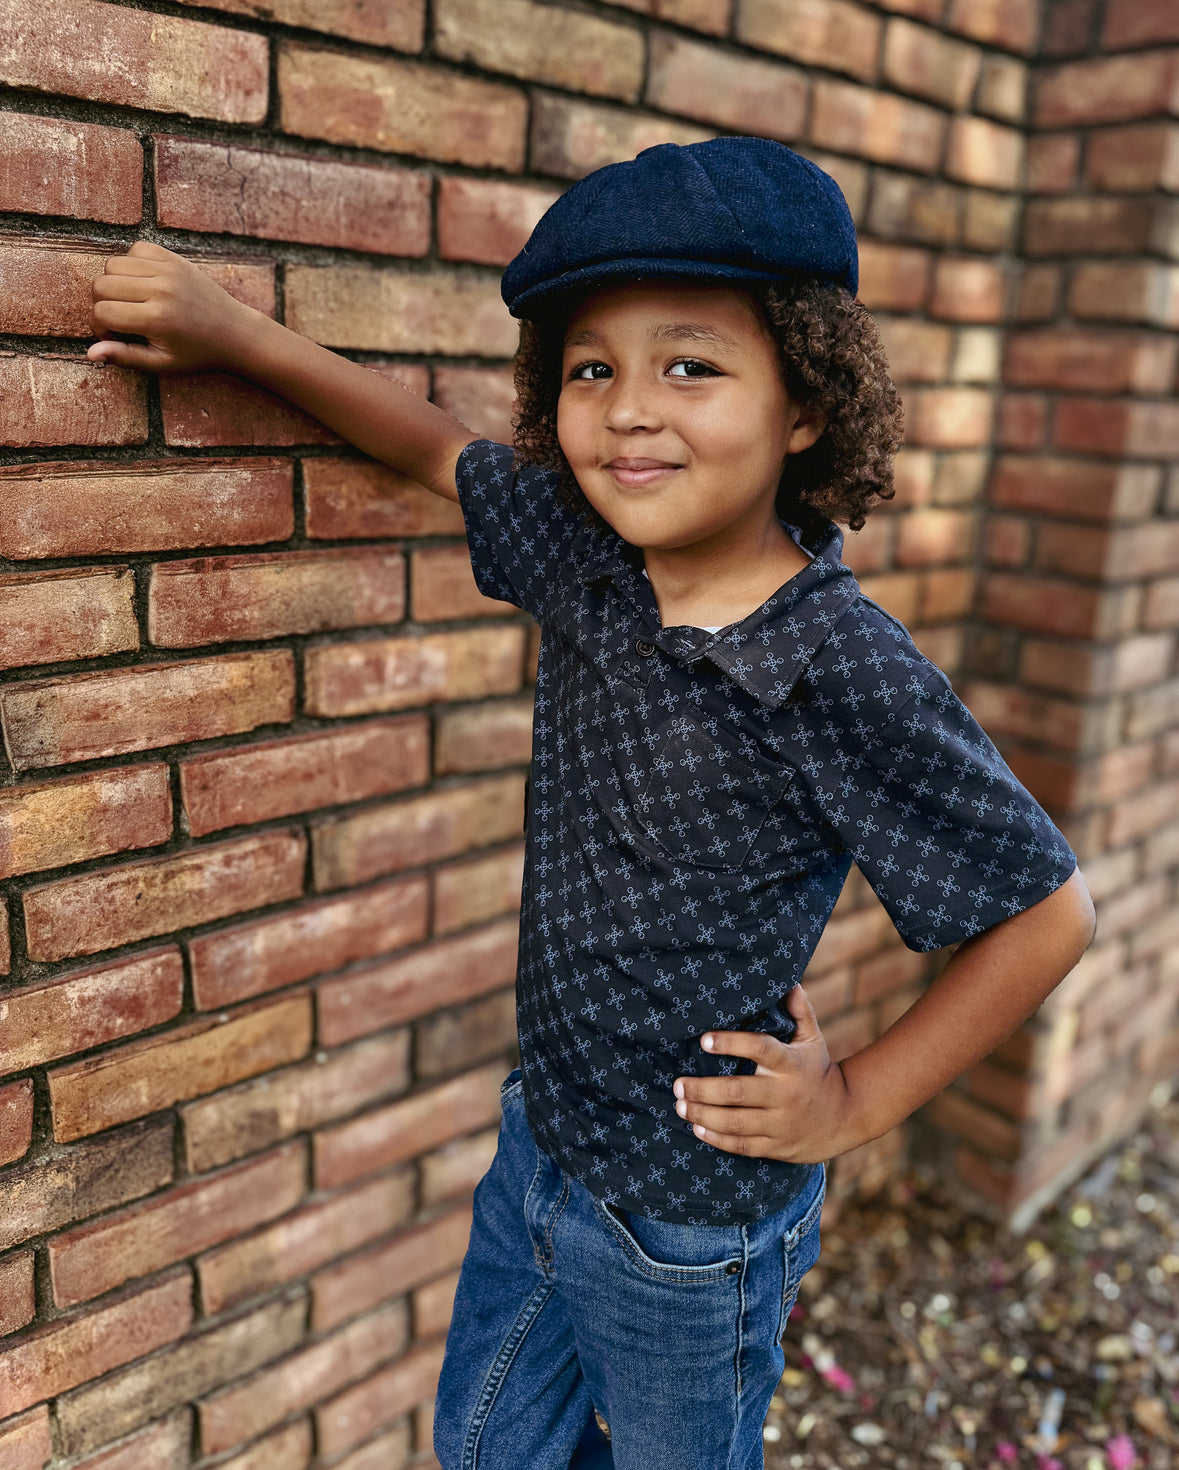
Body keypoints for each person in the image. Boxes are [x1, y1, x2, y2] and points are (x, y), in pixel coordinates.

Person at [89, 137, 1095, 1470]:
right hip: (543, 1148)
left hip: (691, 1222)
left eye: (691, 364)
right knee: (488, 1443)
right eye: (590, 368)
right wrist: (230, 333)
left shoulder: (840, 666)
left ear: (806, 399)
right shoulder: (592, 555)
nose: (628, 410)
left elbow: (1046, 913)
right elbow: (438, 452)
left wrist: (847, 1103)